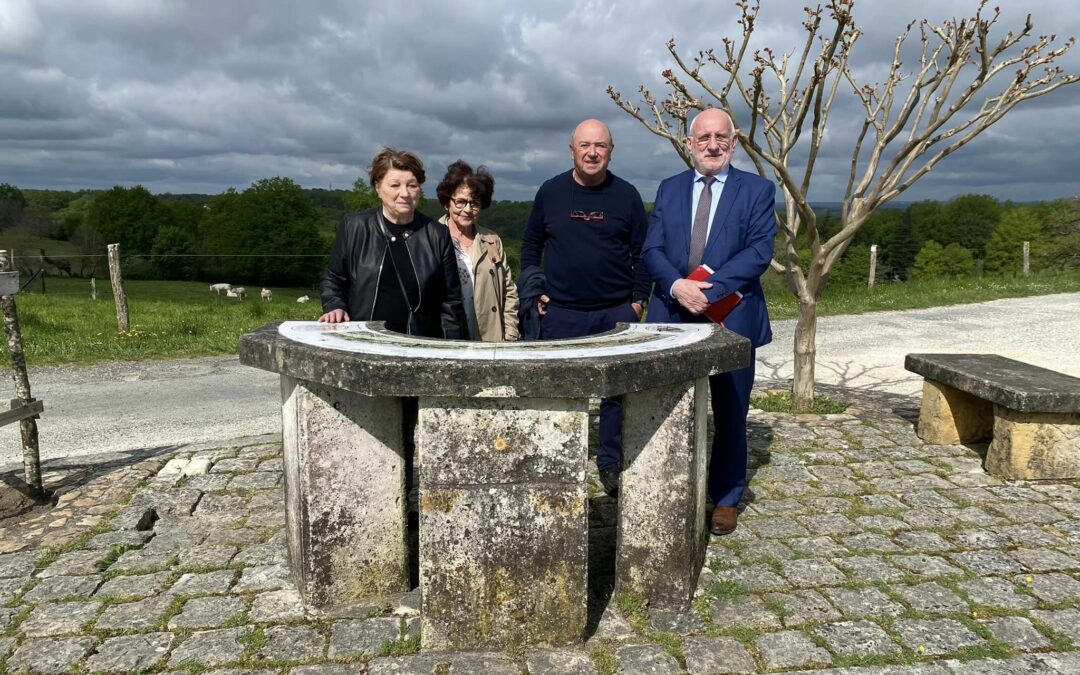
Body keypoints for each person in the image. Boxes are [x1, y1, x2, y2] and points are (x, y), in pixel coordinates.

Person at [642, 108, 777, 536]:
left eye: (721, 137)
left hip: (732, 317)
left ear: (734, 143)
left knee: (731, 409)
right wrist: (677, 286)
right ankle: (671, 485)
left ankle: (726, 496)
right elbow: (652, 250)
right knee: (671, 407)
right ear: (689, 144)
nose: (712, 145)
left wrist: (708, 291)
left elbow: (758, 252)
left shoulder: (757, 190)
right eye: (704, 138)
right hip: (674, 312)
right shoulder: (669, 188)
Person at [520, 118, 651, 497]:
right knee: (558, 390)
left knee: (616, 395)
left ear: (611, 151)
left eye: (601, 146)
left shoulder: (626, 195)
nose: (592, 152)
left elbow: (643, 254)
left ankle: (609, 463)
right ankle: (557, 461)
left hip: (616, 312)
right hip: (561, 311)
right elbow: (531, 246)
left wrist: (638, 302)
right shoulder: (551, 192)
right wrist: (535, 288)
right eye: (584, 145)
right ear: (572, 150)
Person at [319, 147, 468, 340]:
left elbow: (451, 302)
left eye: (412, 185)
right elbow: (333, 279)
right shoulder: (354, 226)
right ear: (378, 187)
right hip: (362, 340)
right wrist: (334, 306)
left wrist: (451, 349)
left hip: (419, 343)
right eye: (395, 185)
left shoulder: (437, 235)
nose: (405, 193)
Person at [435, 161, 520, 341]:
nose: (467, 209)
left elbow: (508, 290)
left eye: (474, 203)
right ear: (446, 203)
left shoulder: (492, 240)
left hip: (489, 336)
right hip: (446, 336)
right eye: (460, 202)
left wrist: (510, 334)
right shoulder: (431, 238)